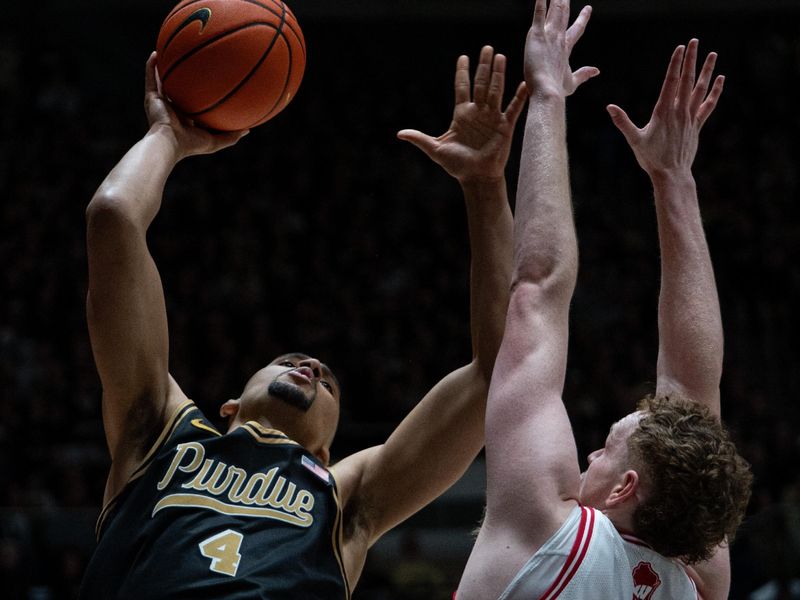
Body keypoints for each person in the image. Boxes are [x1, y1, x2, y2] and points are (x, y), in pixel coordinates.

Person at [78, 43, 527, 599]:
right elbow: (114, 218)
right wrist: (167, 136)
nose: (311, 365)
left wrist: (485, 187)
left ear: (324, 453)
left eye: (328, 379)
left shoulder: (346, 501)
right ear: (229, 408)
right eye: (289, 362)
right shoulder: (158, 434)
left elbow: (499, 370)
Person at [455, 2, 752, 599]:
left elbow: (537, 291)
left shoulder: (550, 532)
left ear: (624, 488)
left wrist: (546, 95)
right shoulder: (697, 581)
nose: (590, 452)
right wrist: (674, 179)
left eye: (605, 450)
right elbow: (693, 390)